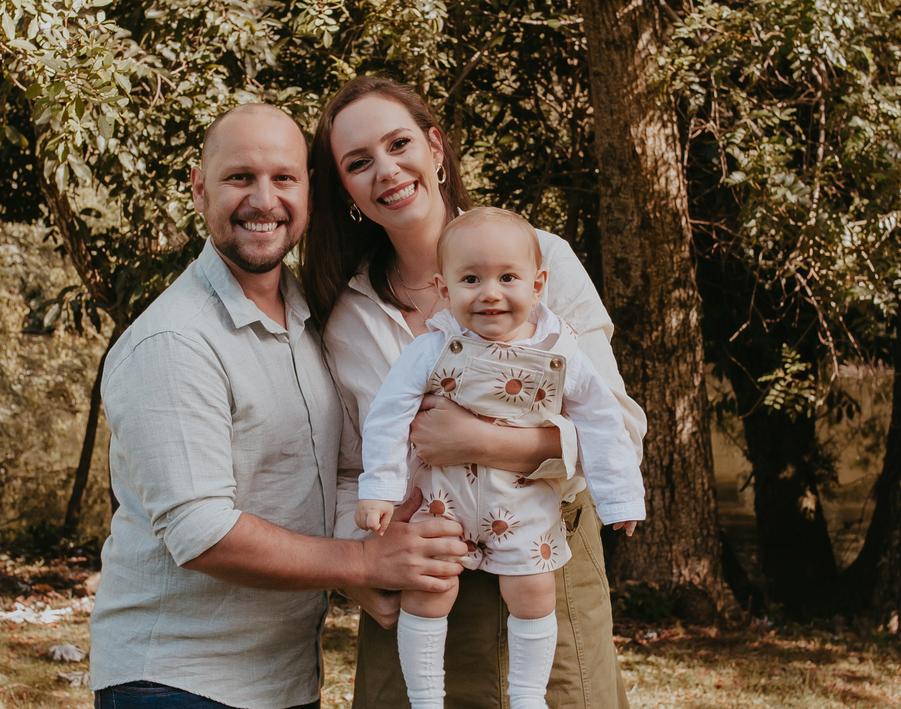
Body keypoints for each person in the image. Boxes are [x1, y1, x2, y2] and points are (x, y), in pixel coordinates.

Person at [89, 103, 468, 709]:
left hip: (283, 680)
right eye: (240, 177)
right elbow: (202, 533)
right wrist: (366, 563)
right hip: (176, 683)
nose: (264, 200)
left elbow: (337, 474)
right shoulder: (174, 341)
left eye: (284, 178)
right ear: (199, 188)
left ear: (310, 194)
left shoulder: (312, 317)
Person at [300, 76, 647, 709]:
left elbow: (616, 431)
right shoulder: (344, 313)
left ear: (435, 148)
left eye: (399, 143)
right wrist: (365, 565)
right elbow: (347, 470)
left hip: (544, 572)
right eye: (358, 162)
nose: (386, 170)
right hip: (424, 581)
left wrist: (479, 441)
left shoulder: (544, 260)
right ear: (346, 189)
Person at [354, 208, 645, 709]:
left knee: (534, 593)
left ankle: (529, 695)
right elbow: (388, 415)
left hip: (524, 504)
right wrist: (379, 488)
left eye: (507, 278)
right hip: (444, 505)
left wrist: (618, 499)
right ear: (444, 291)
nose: (490, 292)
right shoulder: (433, 347)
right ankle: (425, 696)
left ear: (538, 285)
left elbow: (603, 421)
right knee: (429, 592)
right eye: (471, 280)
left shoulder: (559, 351)